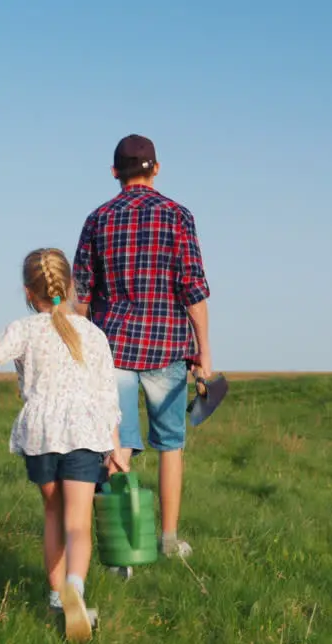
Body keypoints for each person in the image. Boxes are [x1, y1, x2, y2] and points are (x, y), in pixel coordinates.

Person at [0, 247, 127, 643]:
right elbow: (107, 397)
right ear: (71, 286)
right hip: (84, 433)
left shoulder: (23, 330)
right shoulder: (93, 333)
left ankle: (56, 599)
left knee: (53, 514)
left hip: (40, 435)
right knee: (78, 522)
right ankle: (75, 590)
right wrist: (116, 447)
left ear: (27, 292)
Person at [72, 134, 213, 578]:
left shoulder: (98, 219)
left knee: (118, 447)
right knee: (170, 445)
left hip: (109, 347)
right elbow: (193, 289)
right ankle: (168, 539)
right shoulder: (177, 216)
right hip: (168, 346)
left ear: (115, 172)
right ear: (156, 168)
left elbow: (80, 294)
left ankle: (121, 552)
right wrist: (203, 351)